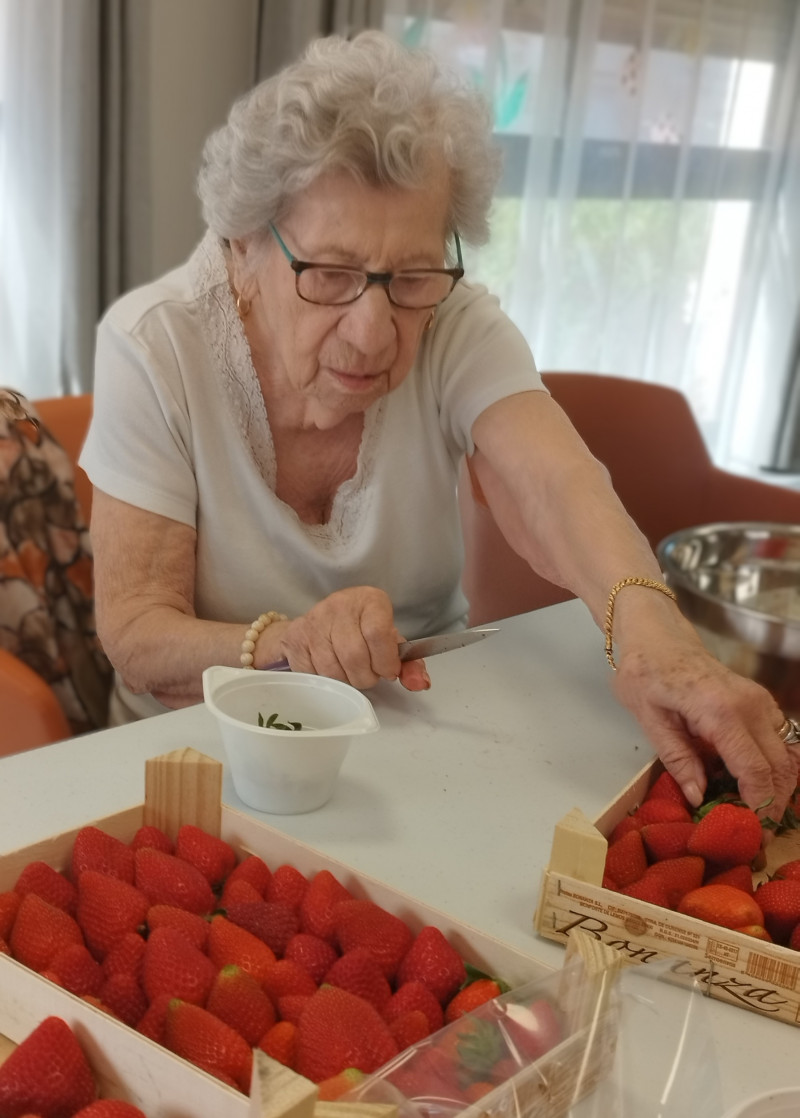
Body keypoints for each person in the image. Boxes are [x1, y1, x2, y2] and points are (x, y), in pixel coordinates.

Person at [80, 30, 797, 822]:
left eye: (413, 276)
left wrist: (663, 647)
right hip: (200, 759)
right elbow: (139, 637)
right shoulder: (153, 345)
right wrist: (290, 643)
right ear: (245, 249)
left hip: (416, 740)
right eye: (330, 275)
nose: (374, 333)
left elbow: (556, 484)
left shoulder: (457, 324)